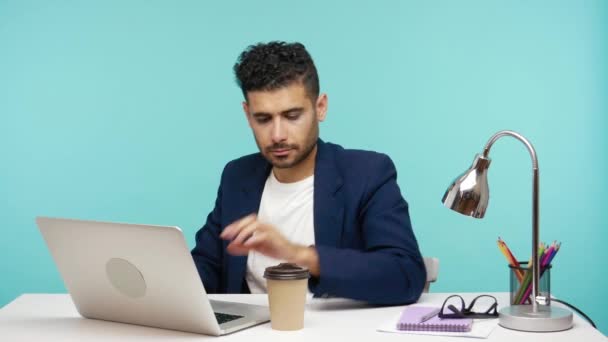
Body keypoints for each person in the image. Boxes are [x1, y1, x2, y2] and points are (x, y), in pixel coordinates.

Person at [191, 41, 426, 305]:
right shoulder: (238, 175)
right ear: (247, 115)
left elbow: (405, 275)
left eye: (292, 116)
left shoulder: (367, 173)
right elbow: (206, 266)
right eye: (263, 119)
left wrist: (298, 254)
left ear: (320, 107)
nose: (277, 135)